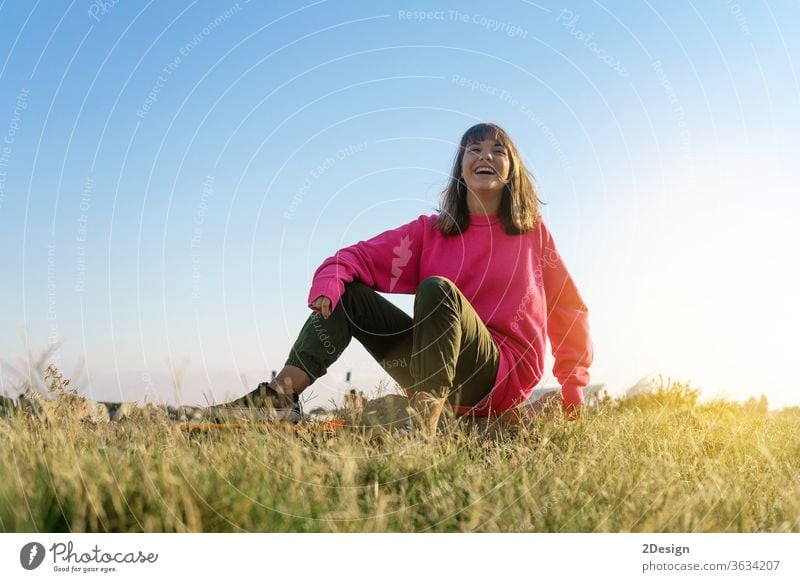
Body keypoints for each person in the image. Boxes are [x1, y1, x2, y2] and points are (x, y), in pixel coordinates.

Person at [224, 122, 593, 430]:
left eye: (498, 150)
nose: (485, 156)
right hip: (431, 366)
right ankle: (280, 397)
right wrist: (329, 282)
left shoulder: (531, 233)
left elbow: (568, 310)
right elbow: (353, 258)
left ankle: (422, 421)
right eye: (474, 149)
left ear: (512, 168)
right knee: (350, 295)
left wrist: (573, 390)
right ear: (461, 167)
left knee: (437, 291)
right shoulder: (431, 232)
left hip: (498, 374)